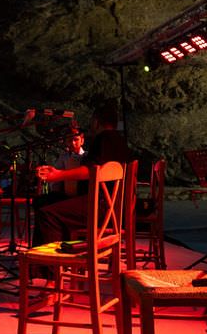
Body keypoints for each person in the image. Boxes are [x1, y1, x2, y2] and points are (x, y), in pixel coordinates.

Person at [34, 101, 133, 246]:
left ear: (97, 121)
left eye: (92, 120)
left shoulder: (104, 139)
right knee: (44, 202)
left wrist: (58, 175)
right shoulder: (119, 140)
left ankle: (49, 265)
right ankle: (60, 252)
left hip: (104, 207)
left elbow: (91, 170)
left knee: (47, 213)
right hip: (113, 204)